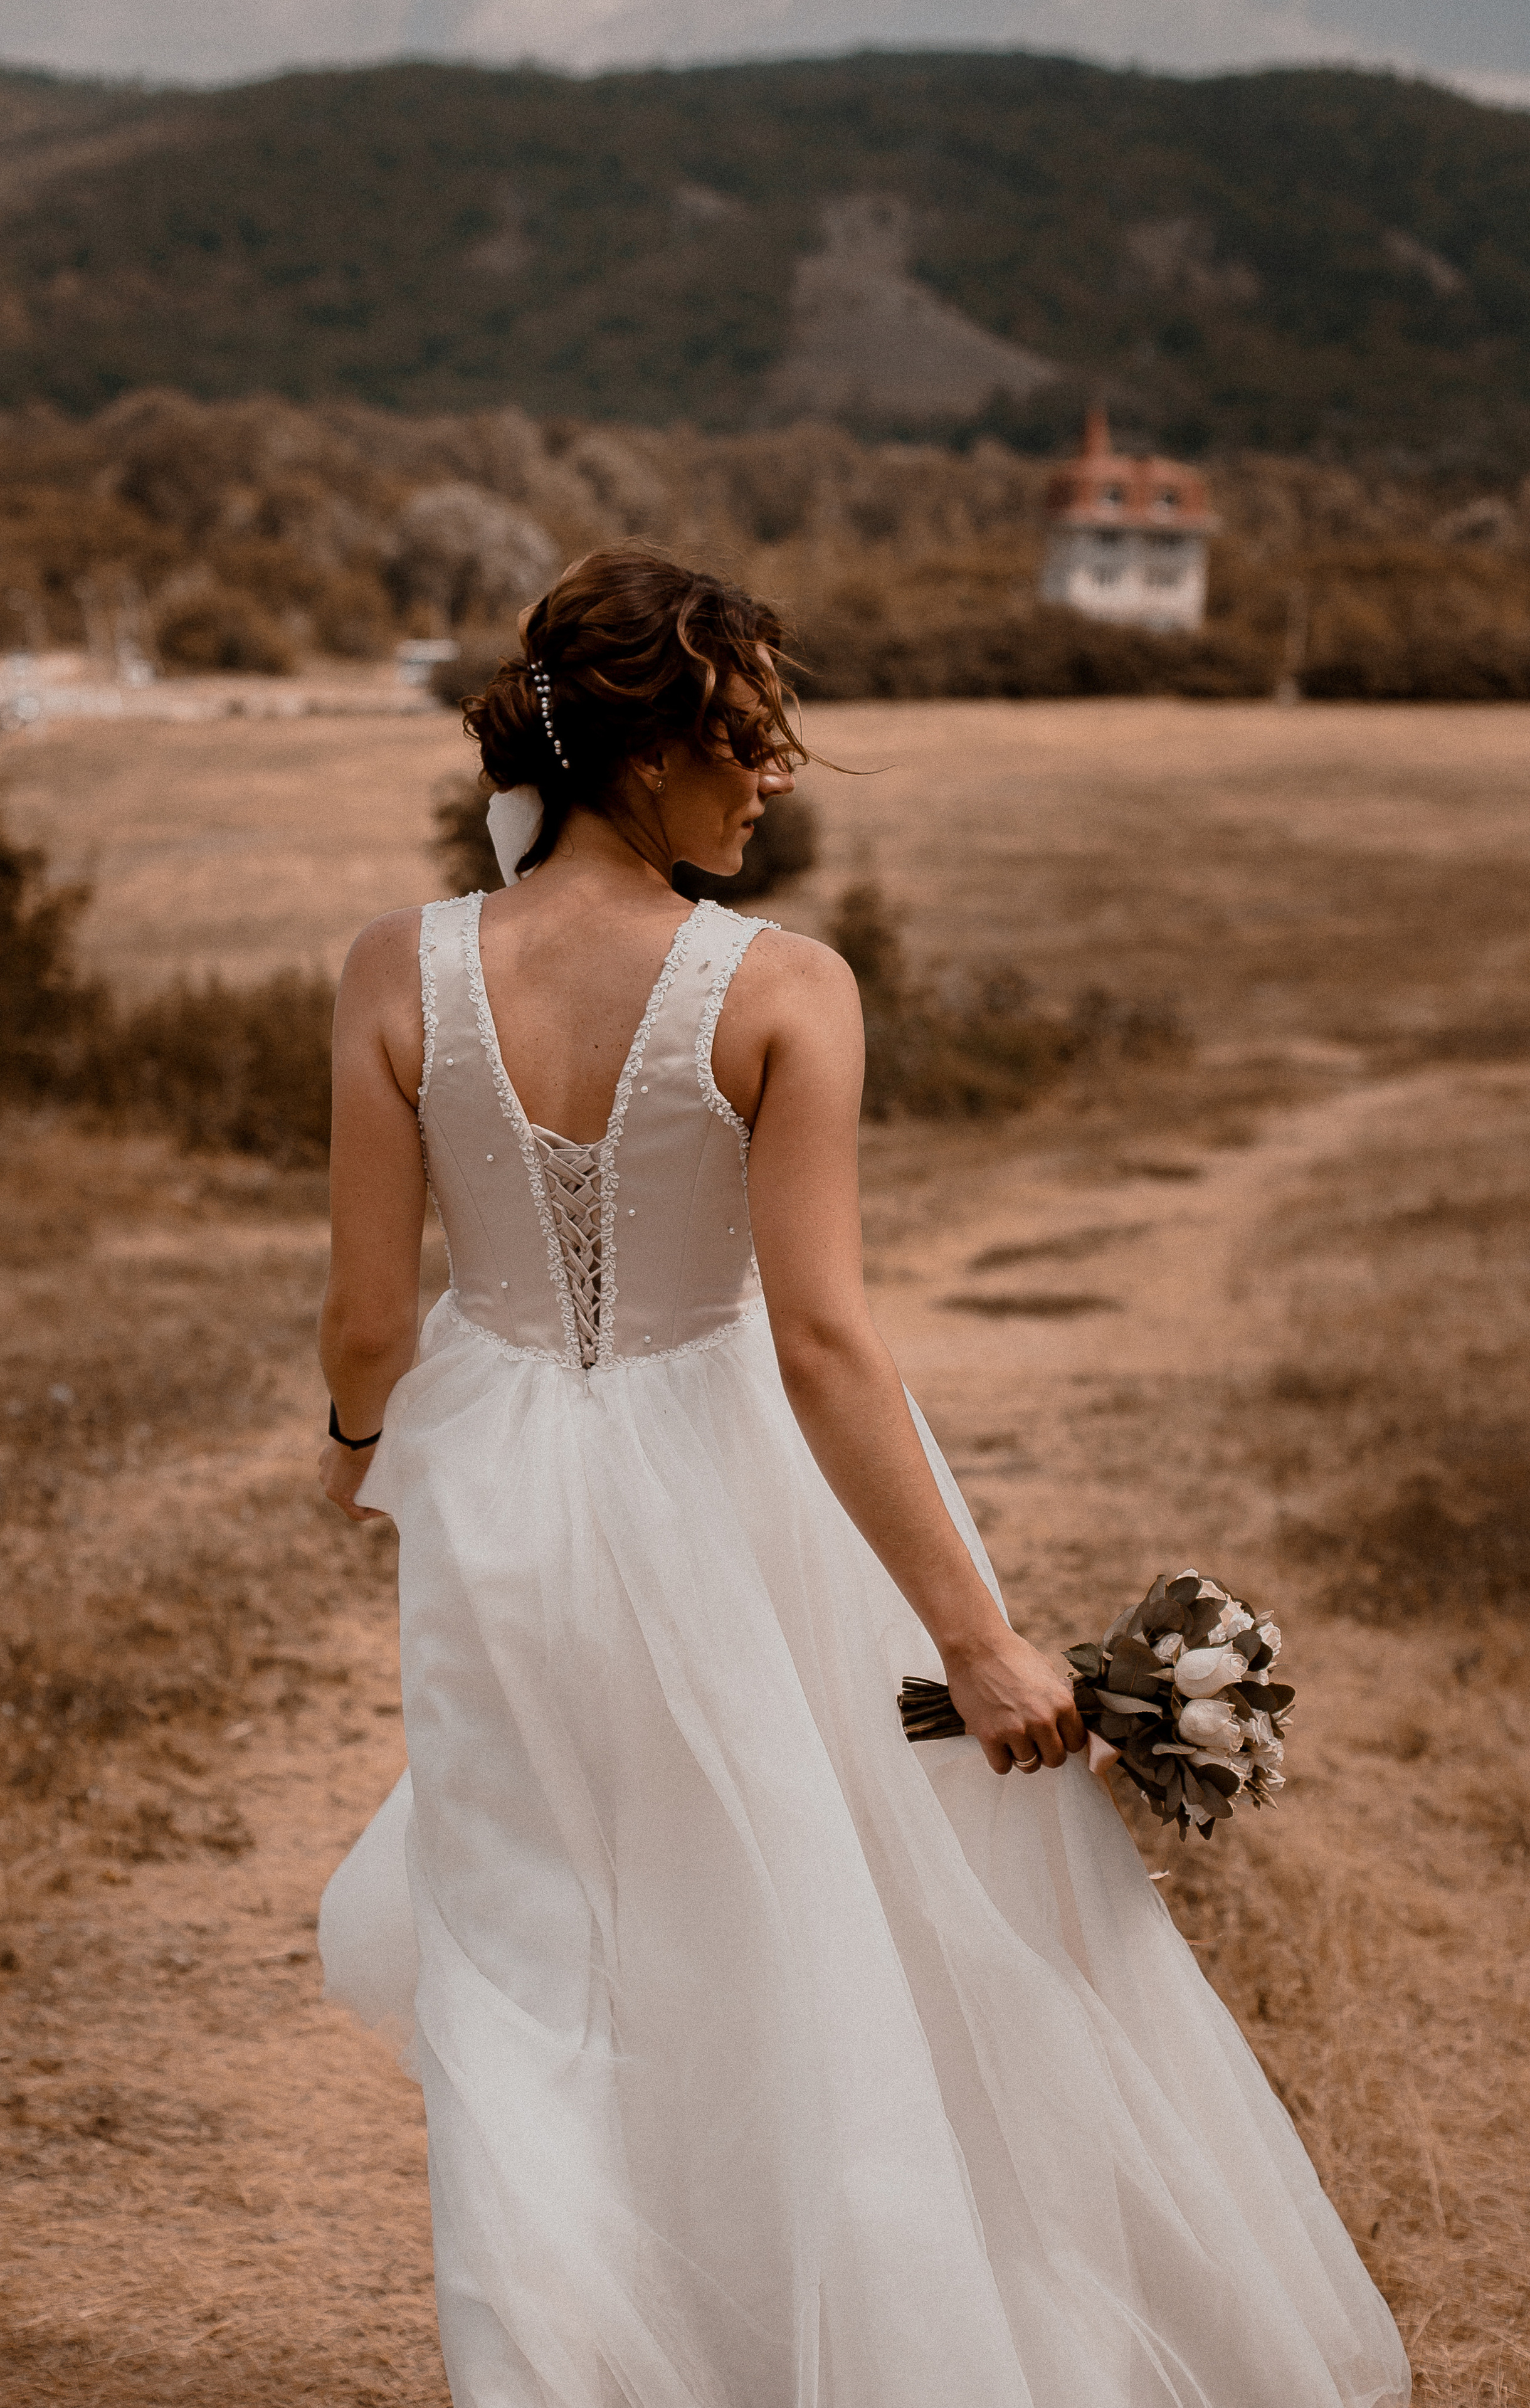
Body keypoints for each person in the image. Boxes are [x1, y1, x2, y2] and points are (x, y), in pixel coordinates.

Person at [315, 547, 1409, 2408]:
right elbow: (820, 1343)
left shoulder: (394, 970)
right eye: (746, 738)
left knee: (531, 1953)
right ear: (645, 752)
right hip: (737, 1490)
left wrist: (363, 1456)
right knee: (800, 1924)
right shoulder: (781, 987)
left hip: (499, 1507)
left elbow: (362, 1321)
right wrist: (976, 1639)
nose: (774, 777)